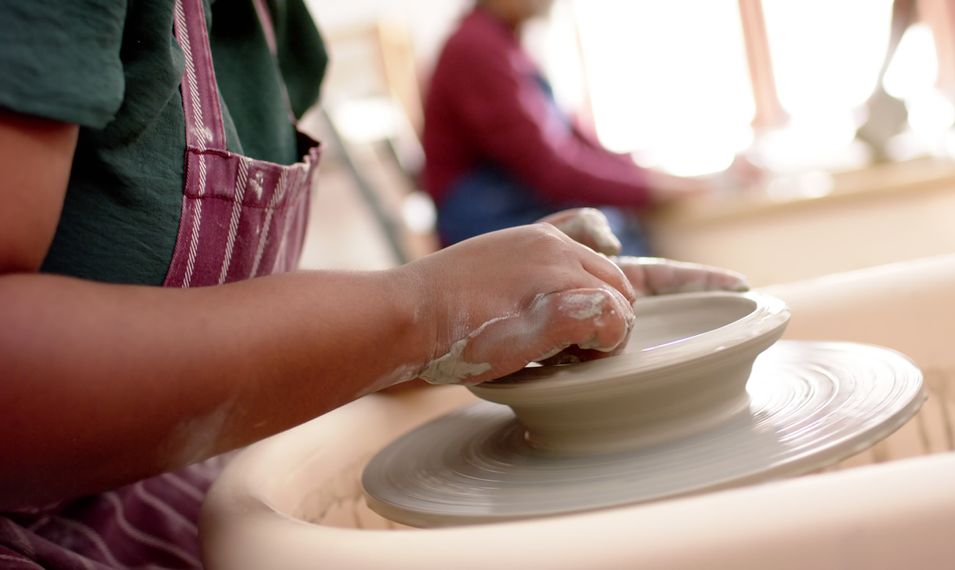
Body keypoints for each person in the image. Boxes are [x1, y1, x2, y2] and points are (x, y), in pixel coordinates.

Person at [0, 0, 749, 567]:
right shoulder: (476, 49)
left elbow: (216, 342)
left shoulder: (279, 29)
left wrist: (499, 303)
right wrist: (427, 309)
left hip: (183, 491)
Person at [421, 0, 724, 256]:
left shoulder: (509, 46)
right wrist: (652, 189)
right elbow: (552, 171)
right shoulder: (474, 49)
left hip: (516, 208)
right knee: (614, 242)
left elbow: (578, 141)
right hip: (487, 227)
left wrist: (662, 179)